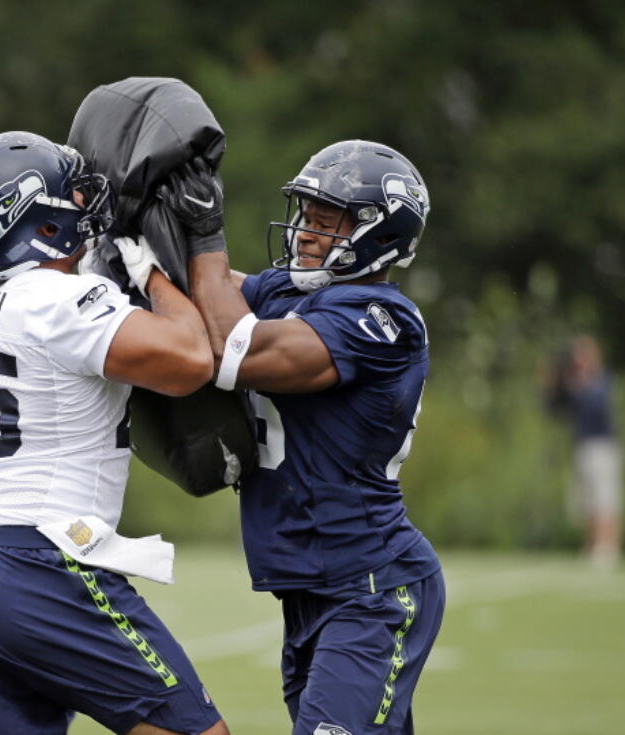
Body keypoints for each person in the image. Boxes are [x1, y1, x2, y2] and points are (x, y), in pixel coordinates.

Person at [0, 131, 229, 735]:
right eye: (69, 199)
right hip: (39, 562)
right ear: (35, 225)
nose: (85, 208)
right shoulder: (58, 301)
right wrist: (153, 272)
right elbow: (191, 359)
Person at [173, 142, 446, 734]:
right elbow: (199, 296)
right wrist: (141, 240)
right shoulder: (288, 291)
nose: (304, 234)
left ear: (380, 234)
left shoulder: (382, 318)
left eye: (325, 223)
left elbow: (237, 345)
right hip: (310, 590)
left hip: (372, 587)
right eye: (305, 216)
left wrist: (205, 232)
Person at [547, 335, 624, 569]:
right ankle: (592, 545)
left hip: (603, 446)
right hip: (582, 446)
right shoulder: (574, 383)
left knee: (606, 498)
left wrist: (577, 385)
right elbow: (553, 408)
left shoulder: (602, 380)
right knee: (586, 500)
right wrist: (552, 380)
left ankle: (608, 547)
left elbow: (597, 406)